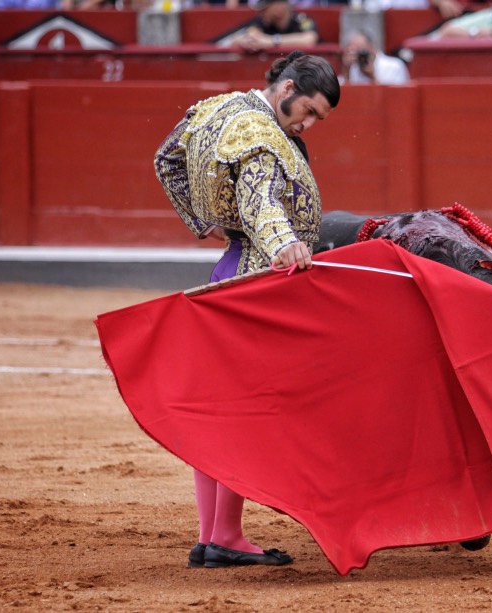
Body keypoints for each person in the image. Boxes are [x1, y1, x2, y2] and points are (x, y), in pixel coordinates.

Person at [153, 51, 340, 569]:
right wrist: (283, 243)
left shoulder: (218, 110)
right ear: (285, 86)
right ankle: (226, 535)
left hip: (228, 270)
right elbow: (260, 200)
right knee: (245, 410)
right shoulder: (257, 131)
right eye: (307, 110)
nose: (308, 124)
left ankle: (213, 535)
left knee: (221, 408)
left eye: (317, 119)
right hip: (257, 278)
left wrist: (199, 217)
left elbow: (166, 157)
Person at [218, 0, 319, 52]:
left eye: (264, 9)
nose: (261, 14)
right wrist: (243, 41)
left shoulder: (300, 19)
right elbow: (234, 39)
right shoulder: (262, 22)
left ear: (279, 8)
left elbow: (309, 39)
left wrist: (271, 41)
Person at [341, 29, 410, 85]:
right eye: (352, 52)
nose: (357, 55)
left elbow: (396, 96)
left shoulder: (394, 66)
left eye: (360, 49)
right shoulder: (353, 68)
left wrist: (372, 76)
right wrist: (347, 71)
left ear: (372, 47)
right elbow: (346, 96)